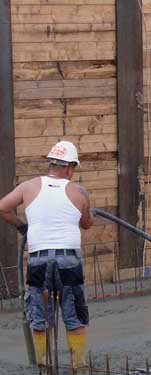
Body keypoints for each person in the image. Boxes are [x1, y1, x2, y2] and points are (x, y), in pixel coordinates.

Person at [0, 140, 93, 370]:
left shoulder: (28, 186)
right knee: (75, 315)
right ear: (70, 167)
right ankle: (78, 366)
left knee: (40, 318)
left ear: (51, 163)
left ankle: (42, 365)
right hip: (68, 261)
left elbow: (2, 207)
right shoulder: (79, 191)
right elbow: (88, 223)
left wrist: (23, 228)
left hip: (38, 260)